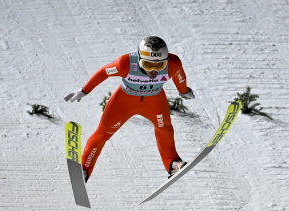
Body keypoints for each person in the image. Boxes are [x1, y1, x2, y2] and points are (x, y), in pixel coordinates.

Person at [64, 36, 195, 182]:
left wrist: (183, 91)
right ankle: (84, 169)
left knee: (165, 129)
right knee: (103, 134)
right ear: (139, 59)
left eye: (159, 66)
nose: (154, 70)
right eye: (148, 64)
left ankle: (173, 163)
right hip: (124, 102)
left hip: (154, 102)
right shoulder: (125, 63)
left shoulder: (173, 63)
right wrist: (85, 90)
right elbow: (103, 72)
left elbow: (179, 75)